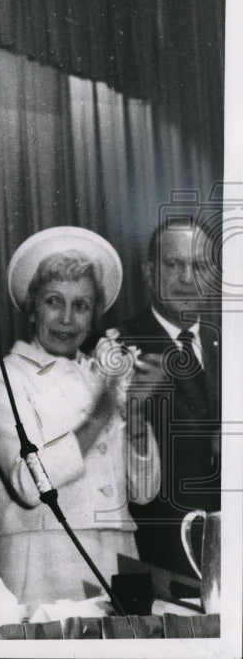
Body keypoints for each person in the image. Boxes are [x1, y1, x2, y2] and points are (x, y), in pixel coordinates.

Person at [0, 227, 160, 607]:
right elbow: (30, 483)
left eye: (81, 306)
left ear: (94, 315)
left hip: (119, 555)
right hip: (42, 563)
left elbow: (145, 491)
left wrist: (137, 413)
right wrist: (104, 411)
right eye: (53, 302)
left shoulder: (104, 376)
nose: (66, 319)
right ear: (31, 307)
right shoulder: (5, 376)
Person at [116, 221, 221, 577]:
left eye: (200, 266)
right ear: (149, 272)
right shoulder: (118, 345)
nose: (188, 279)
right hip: (159, 558)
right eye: (174, 265)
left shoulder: (231, 345)